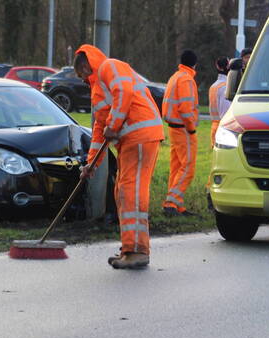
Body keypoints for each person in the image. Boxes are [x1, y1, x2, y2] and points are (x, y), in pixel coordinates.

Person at [76, 44, 164, 270]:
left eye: (81, 73)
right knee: (123, 192)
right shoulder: (98, 90)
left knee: (130, 191)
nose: (81, 79)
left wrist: (114, 125)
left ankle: (137, 251)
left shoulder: (109, 67)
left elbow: (124, 93)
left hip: (140, 135)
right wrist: (90, 165)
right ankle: (130, 248)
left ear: (87, 65)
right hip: (130, 141)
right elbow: (99, 130)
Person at [161, 50, 199, 216]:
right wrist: (191, 127)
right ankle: (171, 202)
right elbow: (185, 108)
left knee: (176, 167)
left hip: (173, 127)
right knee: (188, 167)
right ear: (194, 64)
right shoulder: (187, 79)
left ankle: (176, 205)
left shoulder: (175, 77)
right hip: (183, 129)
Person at [207, 56, 231, 148]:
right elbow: (225, 113)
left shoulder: (213, 86)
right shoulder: (225, 87)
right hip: (223, 129)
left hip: (214, 127)